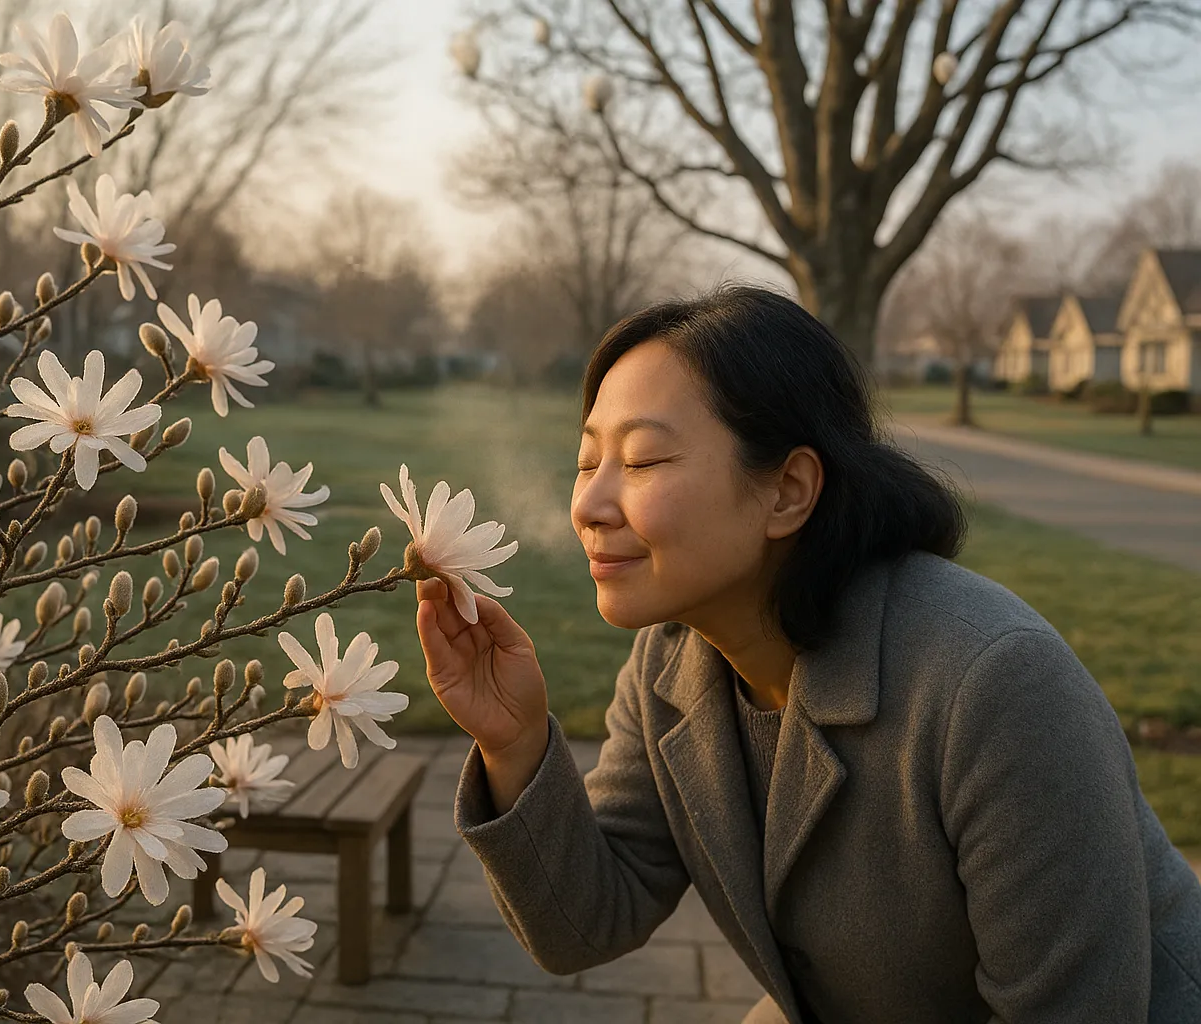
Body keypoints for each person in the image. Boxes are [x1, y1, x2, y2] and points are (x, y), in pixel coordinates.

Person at [412, 286, 1201, 1023]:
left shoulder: (994, 683)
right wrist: (513, 744)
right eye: (588, 462)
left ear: (789, 489)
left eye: (643, 460)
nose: (588, 502)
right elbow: (585, 925)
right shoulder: (670, 664)